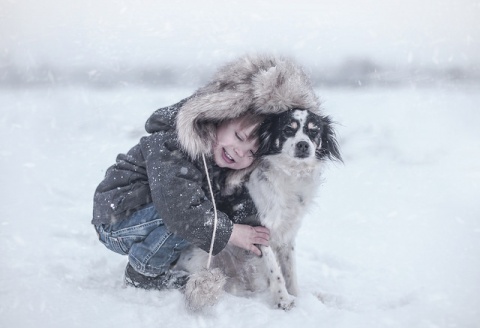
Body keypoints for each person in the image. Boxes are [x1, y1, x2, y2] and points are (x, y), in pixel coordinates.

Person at [92, 54, 322, 291]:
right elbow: (179, 209)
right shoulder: (172, 143)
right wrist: (230, 232)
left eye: (251, 153)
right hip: (118, 219)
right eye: (239, 137)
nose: (239, 152)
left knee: (204, 214)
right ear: (220, 117)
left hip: (152, 216)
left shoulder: (220, 161)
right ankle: (143, 272)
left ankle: (166, 255)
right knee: (189, 212)